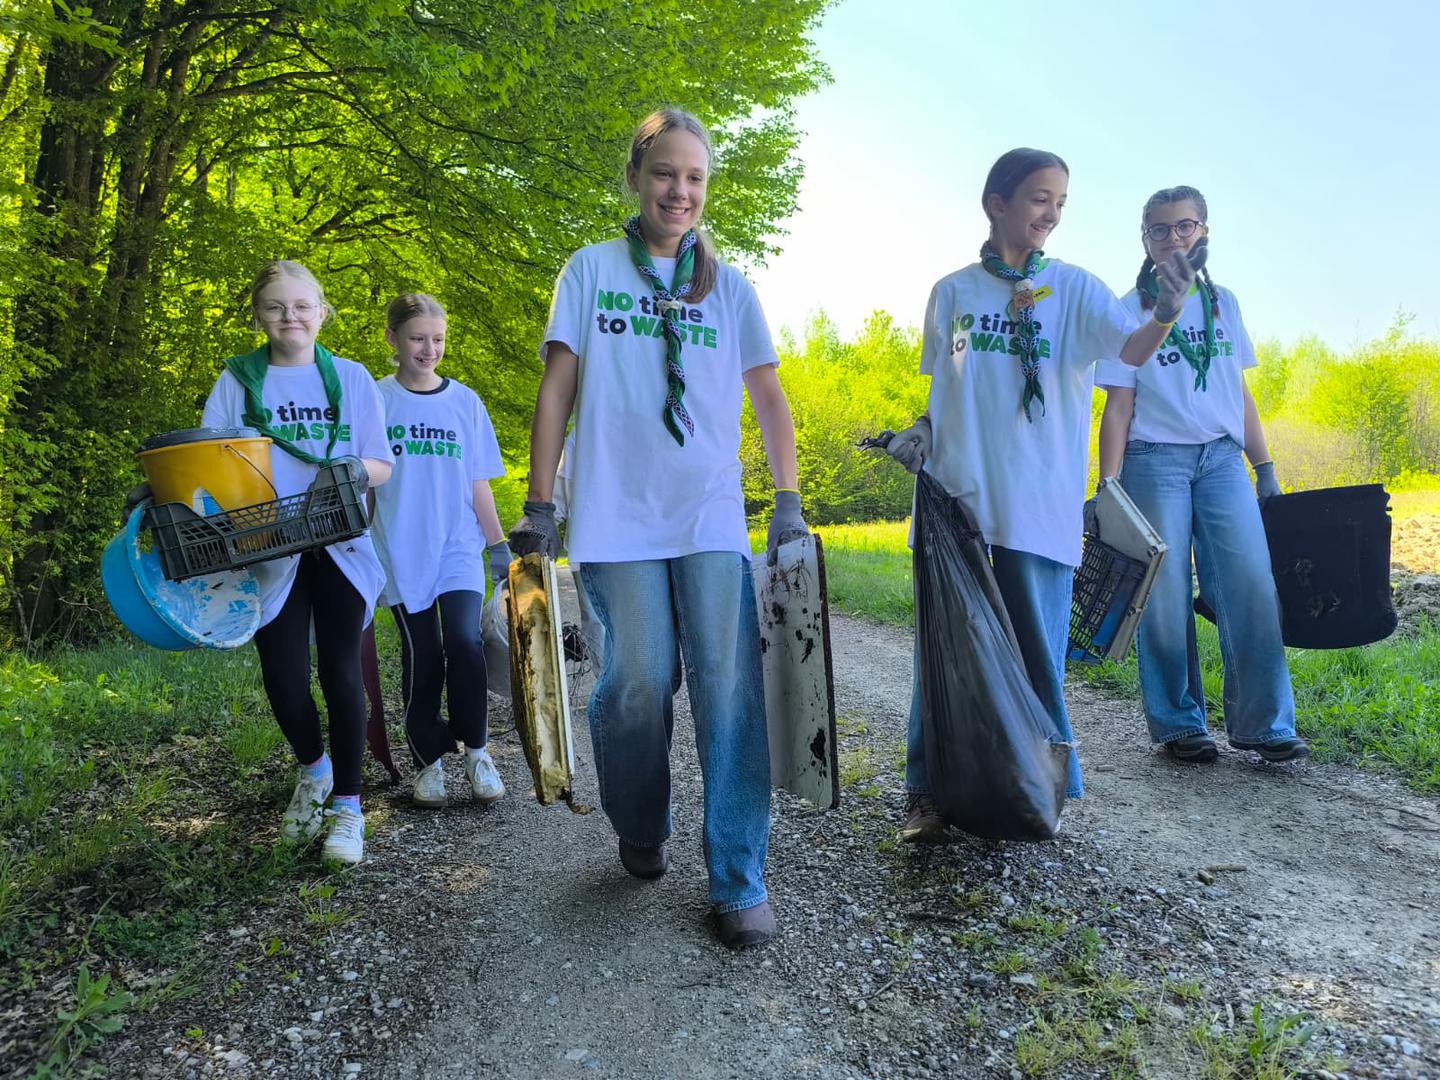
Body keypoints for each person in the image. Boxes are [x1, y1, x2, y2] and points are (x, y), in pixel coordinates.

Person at [508, 107, 805, 948]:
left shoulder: (730, 285)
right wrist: (540, 505)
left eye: (696, 178)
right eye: (667, 173)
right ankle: (640, 821)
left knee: (728, 687)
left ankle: (739, 874)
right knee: (636, 681)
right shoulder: (592, 271)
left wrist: (786, 497)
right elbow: (558, 391)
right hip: (614, 514)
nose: (681, 190)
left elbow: (769, 394)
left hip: (709, 510)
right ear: (637, 177)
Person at [885, 149, 1201, 843]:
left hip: (1039, 510)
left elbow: (1132, 348)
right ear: (996, 202)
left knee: (1036, 659)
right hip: (957, 510)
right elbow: (946, 395)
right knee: (942, 659)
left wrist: (1167, 313)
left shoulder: (1078, 290)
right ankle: (927, 794)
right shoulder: (953, 294)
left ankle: (1037, 790)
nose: (1051, 213)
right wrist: (917, 431)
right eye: (1038, 198)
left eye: (1060, 201)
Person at [1094, 186, 1308, 764]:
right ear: (1144, 240)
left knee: (1250, 588)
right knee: (1162, 596)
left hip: (1221, 462)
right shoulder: (1127, 309)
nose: (1174, 239)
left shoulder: (1226, 304)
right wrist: (1106, 487)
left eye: (1185, 227)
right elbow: (1117, 406)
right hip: (1153, 461)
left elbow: (1239, 391)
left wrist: (1263, 466)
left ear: (1204, 232)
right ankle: (1178, 722)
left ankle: (1265, 724)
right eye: (1160, 230)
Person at [202, 259, 391, 864]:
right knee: (283, 678)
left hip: (341, 544)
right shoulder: (237, 380)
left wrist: (356, 472)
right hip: (267, 549)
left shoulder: (354, 379)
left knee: (341, 673)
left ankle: (348, 808)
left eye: (303, 306)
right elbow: (207, 461)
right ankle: (314, 770)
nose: (291, 318)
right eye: (277, 308)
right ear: (258, 315)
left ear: (322, 312)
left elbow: (381, 462)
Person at [371, 292, 514, 808]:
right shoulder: (375, 399)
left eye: (437, 339)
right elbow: (363, 484)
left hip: (457, 546)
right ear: (392, 339)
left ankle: (477, 750)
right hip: (400, 550)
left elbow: (478, 484)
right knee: (422, 655)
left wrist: (496, 544)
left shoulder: (465, 402)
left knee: (466, 644)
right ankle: (428, 761)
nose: (429, 349)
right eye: (417, 338)